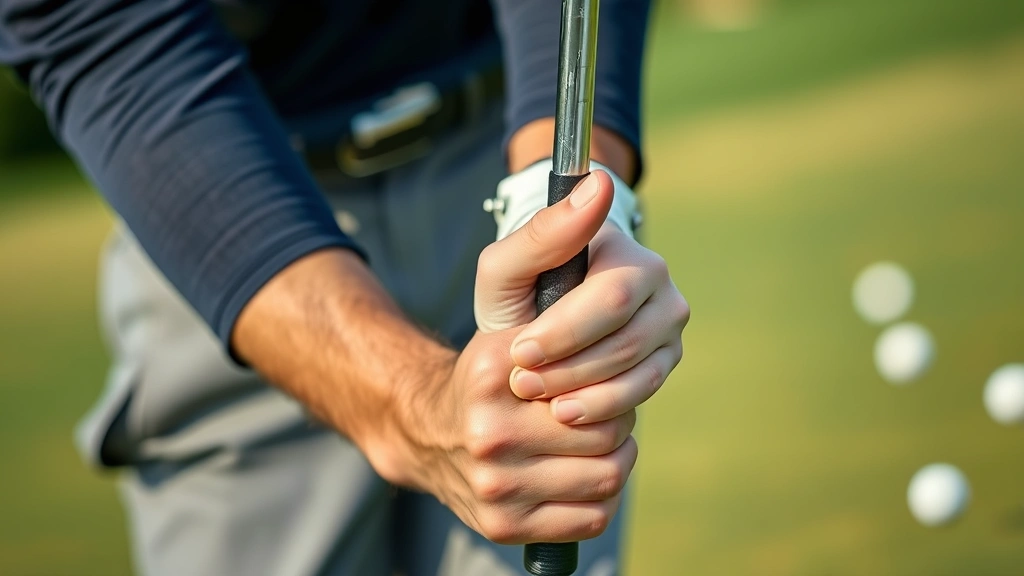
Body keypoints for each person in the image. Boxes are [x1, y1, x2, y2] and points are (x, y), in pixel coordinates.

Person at [0, 1, 689, 574]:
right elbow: (99, 31)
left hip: (505, 132)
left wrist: (559, 210)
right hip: (225, 213)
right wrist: (413, 406)